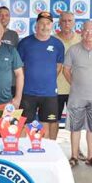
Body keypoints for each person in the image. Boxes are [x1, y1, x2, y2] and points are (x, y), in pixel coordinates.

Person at [64, 20, 92, 170]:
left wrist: (91, 83)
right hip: (77, 96)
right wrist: (76, 84)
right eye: (86, 30)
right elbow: (66, 71)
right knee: (75, 127)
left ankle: (91, 157)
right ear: (81, 32)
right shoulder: (73, 50)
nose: (89, 33)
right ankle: (74, 156)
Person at [18, 11, 64, 139]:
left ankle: (45, 156)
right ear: (36, 25)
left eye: (48, 23)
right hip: (28, 93)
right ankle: (22, 154)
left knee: (46, 127)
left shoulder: (58, 45)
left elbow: (58, 66)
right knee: (23, 125)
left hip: (49, 93)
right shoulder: (24, 43)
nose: (45, 26)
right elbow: (19, 67)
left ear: (52, 26)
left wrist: (46, 80)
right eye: (42, 23)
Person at [54, 11, 86, 160]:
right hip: (56, 88)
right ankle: (52, 149)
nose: (67, 23)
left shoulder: (81, 39)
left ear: (74, 23)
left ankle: (77, 150)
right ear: (59, 23)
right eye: (64, 21)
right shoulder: (53, 39)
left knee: (76, 122)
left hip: (76, 89)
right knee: (53, 121)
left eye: (69, 21)